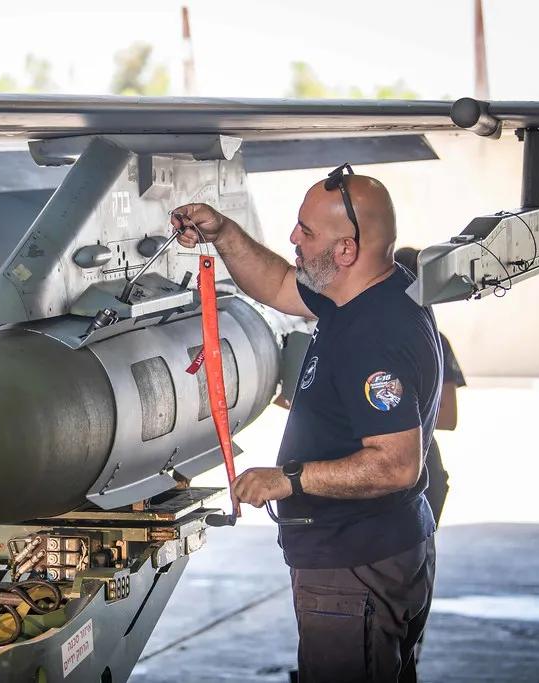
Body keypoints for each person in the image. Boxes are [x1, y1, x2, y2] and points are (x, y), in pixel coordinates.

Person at [171, 164, 441, 683]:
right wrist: (223, 233)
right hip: (374, 550)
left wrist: (288, 479)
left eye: (307, 232)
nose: (293, 238)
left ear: (345, 251)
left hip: (355, 566)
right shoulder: (364, 293)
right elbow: (277, 284)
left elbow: (395, 465)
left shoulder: (375, 335)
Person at [394, 246, 466, 527]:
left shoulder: (435, 341)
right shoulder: (434, 340)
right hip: (414, 461)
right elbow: (446, 418)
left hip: (412, 463)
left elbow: (448, 418)